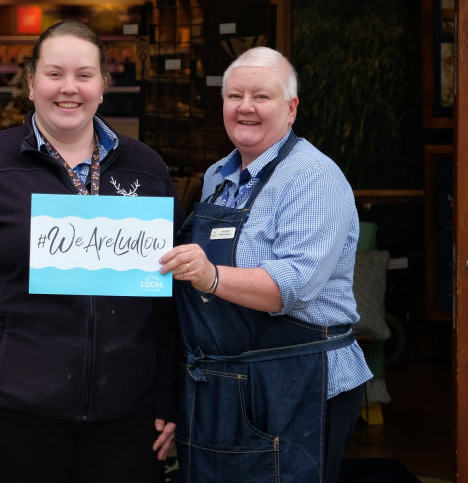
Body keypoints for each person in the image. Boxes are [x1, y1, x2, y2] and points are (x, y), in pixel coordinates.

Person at [0, 19, 182, 483]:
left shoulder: (147, 170)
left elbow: (169, 299)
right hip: (12, 418)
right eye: (55, 74)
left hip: (128, 418)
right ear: (31, 82)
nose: (69, 89)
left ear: (103, 85)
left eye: (84, 75)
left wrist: (170, 399)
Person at [159, 46, 372, 483]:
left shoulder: (312, 176)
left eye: (262, 96)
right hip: (221, 384)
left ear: (291, 108)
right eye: (235, 96)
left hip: (294, 385)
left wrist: (211, 276)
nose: (246, 107)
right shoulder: (219, 175)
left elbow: (293, 284)